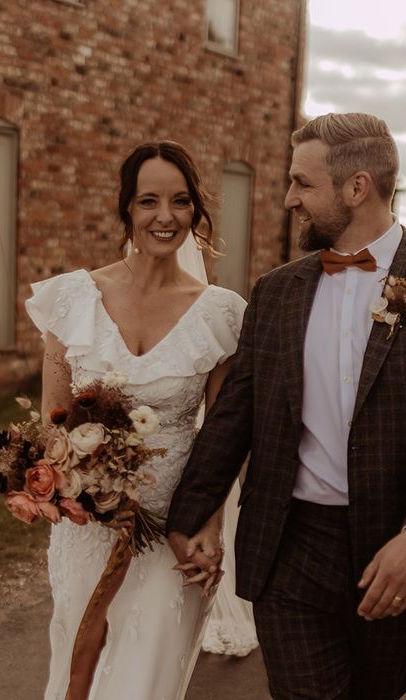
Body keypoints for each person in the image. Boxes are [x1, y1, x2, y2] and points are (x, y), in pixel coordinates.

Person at [167, 112, 406, 699]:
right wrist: (191, 515)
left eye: (302, 183)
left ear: (356, 187)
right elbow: (234, 415)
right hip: (290, 542)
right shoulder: (275, 292)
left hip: (393, 546)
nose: (290, 199)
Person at [25, 140, 250, 699]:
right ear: (127, 207)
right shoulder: (72, 299)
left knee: (141, 684)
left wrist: (210, 528)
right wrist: (68, 484)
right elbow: (53, 422)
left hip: (176, 526)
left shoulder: (220, 314)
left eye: (179, 201)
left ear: (195, 211)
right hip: (87, 528)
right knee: (77, 667)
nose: (165, 216)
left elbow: (222, 438)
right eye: (149, 200)